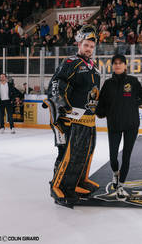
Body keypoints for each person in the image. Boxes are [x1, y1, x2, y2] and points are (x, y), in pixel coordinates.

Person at [46, 25, 101, 208]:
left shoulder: (94, 67)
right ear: (79, 44)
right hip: (72, 119)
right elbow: (56, 82)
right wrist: (60, 103)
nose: (89, 49)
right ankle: (59, 187)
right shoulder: (71, 62)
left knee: (84, 154)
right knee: (68, 155)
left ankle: (76, 183)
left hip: (88, 119)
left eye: (92, 46)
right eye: (86, 45)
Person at [96, 54, 142, 200]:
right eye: (115, 63)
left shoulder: (133, 81)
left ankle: (121, 185)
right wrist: (99, 111)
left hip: (131, 124)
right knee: (113, 157)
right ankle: (116, 174)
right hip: (114, 124)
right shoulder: (108, 84)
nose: (117, 65)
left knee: (126, 156)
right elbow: (101, 104)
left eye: (120, 63)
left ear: (125, 65)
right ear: (112, 66)